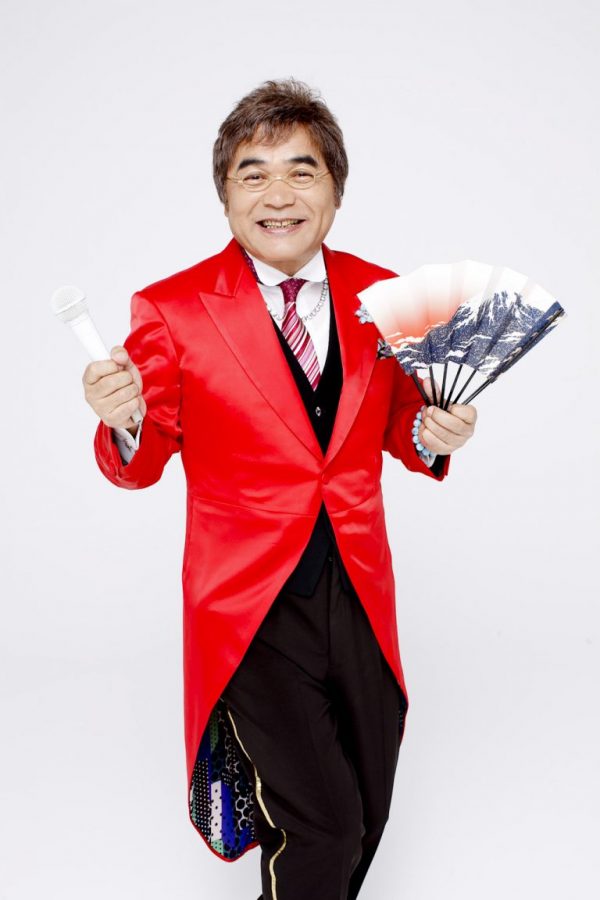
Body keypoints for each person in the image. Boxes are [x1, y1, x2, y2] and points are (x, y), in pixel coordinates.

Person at [83, 78, 477, 900]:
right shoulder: (171, 308)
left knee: (366, 808)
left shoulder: (387, 295)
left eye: (302, 170)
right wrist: (124, 419)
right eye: (252, 173)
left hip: (358, 587)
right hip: (247, 602)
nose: (278, 195)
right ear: (225, 195)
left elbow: (404, 425)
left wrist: (434, 435)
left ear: (335, 188)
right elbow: (142, 460)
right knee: (323, 823)